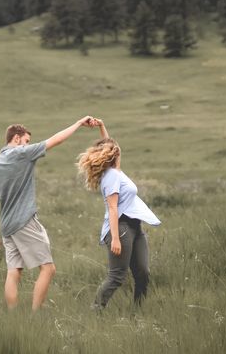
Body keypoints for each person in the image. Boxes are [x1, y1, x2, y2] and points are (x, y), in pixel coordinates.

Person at [0, 117, 93, 311]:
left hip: (7, 226)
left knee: (13, 272)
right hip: (25, 221)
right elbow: (57, 140)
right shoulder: (22, 153)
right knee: (48, 268)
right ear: (16, 139)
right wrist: (78, 124)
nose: (28, 144)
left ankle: (13, 316)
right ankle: (35, 315)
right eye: (26, 140)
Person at [77, 119, 161, 309]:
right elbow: (113, 208)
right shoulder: (112, 176)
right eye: (115, 148)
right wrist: (115, 238)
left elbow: (110, 144)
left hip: (135, 227)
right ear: (113, 154)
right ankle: (96, 309)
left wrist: (101, 126)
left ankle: (138, 312)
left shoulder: (115, 171)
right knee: (117, 276)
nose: (118, 149)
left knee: (143, 272)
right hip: (121, 229)